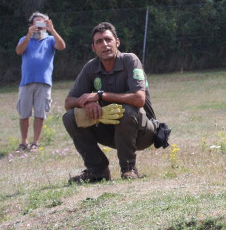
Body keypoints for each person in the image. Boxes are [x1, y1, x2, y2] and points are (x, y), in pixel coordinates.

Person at [63, 22, 158, 183]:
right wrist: (85, 103)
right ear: (93, 48)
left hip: (142, 131)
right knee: (71, 117)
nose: (105, 44)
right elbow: (68, 102)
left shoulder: (130, 60)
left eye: (108, 39)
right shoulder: (91, 67)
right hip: (111, 131)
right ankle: (97, 170)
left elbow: (139, 99)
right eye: (99, 41)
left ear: (117, 42)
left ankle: (128, 169)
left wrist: (100, 96)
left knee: (127, 110)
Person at [15, 12, 66, 152]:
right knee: (24, 114)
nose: (39, 27)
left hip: (44, 83)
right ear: (31, 25)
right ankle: (24, 142)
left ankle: (35, 143)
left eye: (42, 23)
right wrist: (28, 35)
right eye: (36, 24)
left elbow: (62, 46)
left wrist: (52, 30)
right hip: (26, 82)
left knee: (40, 113)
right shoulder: (24, 39)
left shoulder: (50, 40)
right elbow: (19, 51)